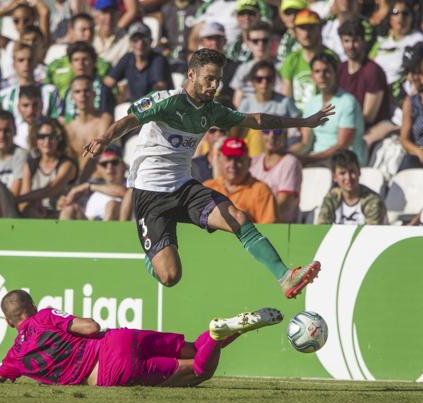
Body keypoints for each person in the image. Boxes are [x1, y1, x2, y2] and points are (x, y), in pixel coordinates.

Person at [82, 48, 334, 296]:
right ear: (191, 75)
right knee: (170, 276)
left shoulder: (213, 111)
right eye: (209, 79)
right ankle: (152, 257)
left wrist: (303, 122)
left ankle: (285, 277)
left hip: (183, 187)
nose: (214, 86)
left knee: (238, 217)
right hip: (151, 193)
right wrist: (105, 139)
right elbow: (129, 120)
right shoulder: (166, 101)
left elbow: (256, 120)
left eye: (218, 80)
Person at [0, 289, 283, 386]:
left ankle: (218, 333)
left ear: (9, 323)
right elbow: (90, 328)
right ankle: (232, 327)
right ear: (31, 307)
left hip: (107, 372)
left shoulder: (14, 359)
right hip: (118, 340)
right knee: (195, 349)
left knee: (200, 370)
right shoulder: (45, 316)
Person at [293, 53, 366, 166]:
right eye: (317, 71)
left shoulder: (348, 102)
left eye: (326, 71)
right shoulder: (311, 104)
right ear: (312, 76)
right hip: (317, 162)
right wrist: (285, 154)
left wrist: (309, 159)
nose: (322, 76)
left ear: (335, 74)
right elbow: (305, 143)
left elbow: (342, 146)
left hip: (345, 164)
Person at [337, 18, 392, 148]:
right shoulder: (340, 69)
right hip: (343, 127)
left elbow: (368, 116)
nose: (351, 46)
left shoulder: (372, 71)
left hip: (368, 131)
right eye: (346, 41)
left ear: (363, 41)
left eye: (355, 41)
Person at [204, 137, 278, 224]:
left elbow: (269, 228)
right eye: (229, 159)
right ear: (220, 160)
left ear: (249, 162)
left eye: (239, 160)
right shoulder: (208, 187)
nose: (233, 165)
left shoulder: (261, 190)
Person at [17, 118, 78, 218]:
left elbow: (51, 189)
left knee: (68, 211)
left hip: (61, 214)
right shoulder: (31, 165)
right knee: (29, 210)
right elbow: (25, 200)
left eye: (52, 136)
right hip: (38, 214)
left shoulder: (67, 165)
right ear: (35, 139)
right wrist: (33, 203)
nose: (47, 141)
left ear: (59, 138)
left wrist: (16, 199)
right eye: (42, 137)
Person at [0, 0, 50, 85]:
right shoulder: (10, 45)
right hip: (9, 87)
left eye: (26, 20)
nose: (21, 24)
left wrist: (33, 2)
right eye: (16, 21)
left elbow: (44, 12)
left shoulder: (38, 43)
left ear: (33, 18)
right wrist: (7, 9)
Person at [237, 60, 300, 156]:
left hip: (279, 150)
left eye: (268, 79)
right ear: (253, 82)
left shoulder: (285, 102)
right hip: (252, 151)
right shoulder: (246, 103)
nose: (264, 82)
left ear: (274, 81)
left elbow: (298, 130)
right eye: (259, 79)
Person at [280, 9, 337, 110]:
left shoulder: (332, 57)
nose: (306, 32)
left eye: (311, 27)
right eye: (302, 28)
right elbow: (286, 100)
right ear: (295, 32)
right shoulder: (291, 60)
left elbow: (337, 94)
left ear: (319, 29)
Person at [104, 22, 173, 102]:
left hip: (159, 107)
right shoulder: (128, 58)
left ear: (151, 41)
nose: (140, 44)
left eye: (144, 39)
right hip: (138, 109)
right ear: (130, 43)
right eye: (135, 39)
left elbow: (159, 91)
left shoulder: (159, 60)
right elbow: (108, 82)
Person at [317, 149, 387, 225]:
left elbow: (372, 232)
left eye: (352, 172)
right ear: (334, 177)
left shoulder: (373, 201)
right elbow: (322, 227)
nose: (348, 178)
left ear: (359, 172)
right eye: (342, 173)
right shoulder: (331, 198)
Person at [58, 146, 126, 221]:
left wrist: (88, 186)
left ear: (124, 165)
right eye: (104, 164)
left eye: (114, 162)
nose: (109, 167)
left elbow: (125, 193)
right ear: (98, 168)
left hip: (123, 230)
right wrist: (67, 203)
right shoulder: (95, 195)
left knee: (112, 205)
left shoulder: (133, 183)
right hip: (93, 230)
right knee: (69, 209)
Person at [0, 43, 63, 121]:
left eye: (30, 60)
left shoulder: (50, 91)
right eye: (21, 60)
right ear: (14, 65)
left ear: (36, 63)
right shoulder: (4, 95)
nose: (26, 64)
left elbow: (57, 120)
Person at [249, 129, 302, 223]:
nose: (271, 136)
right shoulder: (254, 161)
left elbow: (283, 202)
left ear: (285, 136)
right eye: (266, 131)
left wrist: (253, 216)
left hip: (279, 227)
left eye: (277, 131)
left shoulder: (290, 162)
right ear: (260, 134)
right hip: (254, 222)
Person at [65, 75, 112, 177]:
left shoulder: (104, 120)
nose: (83, 95)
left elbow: (98, 154)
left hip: (99, 180)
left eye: (86, 91)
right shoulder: (68, 128)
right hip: (74, 183)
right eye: (77, 92)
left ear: (94, 94)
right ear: (72, 97)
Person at [371, 0, 423, 85]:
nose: (400, 17)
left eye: (405, 13)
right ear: (390, 17)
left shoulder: (418, 39)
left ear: (412, 17)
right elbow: (369, 65)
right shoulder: (381, 42)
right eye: (395, 12)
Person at [229, 21, 275, 109]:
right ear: (248, 43)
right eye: (255, 41)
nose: (260, 45)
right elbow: (236, 103)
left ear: (271, 41)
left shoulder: (280, 68)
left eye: (265, 40)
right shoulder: (242, 69)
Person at [92, 0, 130, 67]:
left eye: (113, 13)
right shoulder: (88, 36)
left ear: (118, 15)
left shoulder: (127, 40)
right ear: (96, 15)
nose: (109, 17)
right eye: (104, 12)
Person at [276, 0, 306, 65]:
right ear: (281, 15)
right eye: (288, 12)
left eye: (297, 12)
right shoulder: (279, 37)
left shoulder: (313, 37)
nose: (292, 17)